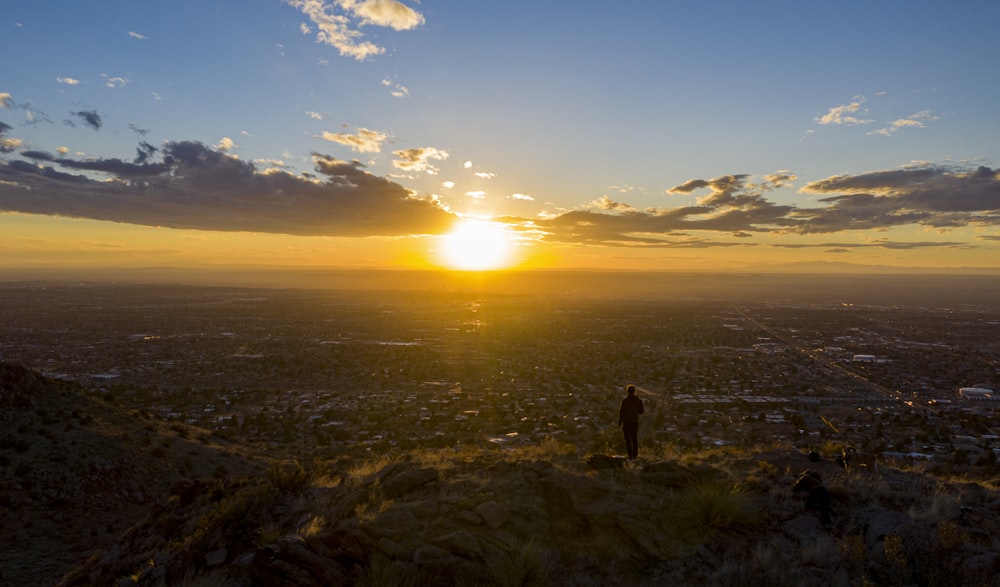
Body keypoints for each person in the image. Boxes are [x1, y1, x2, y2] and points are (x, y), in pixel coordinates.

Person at [618, 384, 644, 460]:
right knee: (634, 439)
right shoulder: (638, 400)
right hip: (634, 421)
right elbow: (641, 411)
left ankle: (630, 456)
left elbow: (622, 412)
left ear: (627, 391)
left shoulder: (625, 401)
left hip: (627, 422)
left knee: (628, 440)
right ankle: (635, 455)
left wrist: (620, 421)